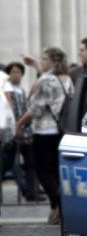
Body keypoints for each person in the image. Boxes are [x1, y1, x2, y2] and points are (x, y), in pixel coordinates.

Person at [14, 47, 74, 225]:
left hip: (43, 131)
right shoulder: (66, 79)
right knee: (55, 171)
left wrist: (18, 123)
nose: (43, 62)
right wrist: (35, 66)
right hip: (59, 131)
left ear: (54, 62)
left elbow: (36, 108)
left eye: (45, 59)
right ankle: (58, 207)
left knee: (42, 171)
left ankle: (58, 204)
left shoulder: (47, 80)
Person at [4, 62, 40, 201]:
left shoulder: (21, 89)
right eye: (13, 71)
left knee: (30, 162)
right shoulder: (7, 90)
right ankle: (26, 188)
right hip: (12, 131)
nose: (16, 74)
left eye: (18, 72)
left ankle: (32, 191)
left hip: (25, 130)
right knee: (8, 162)